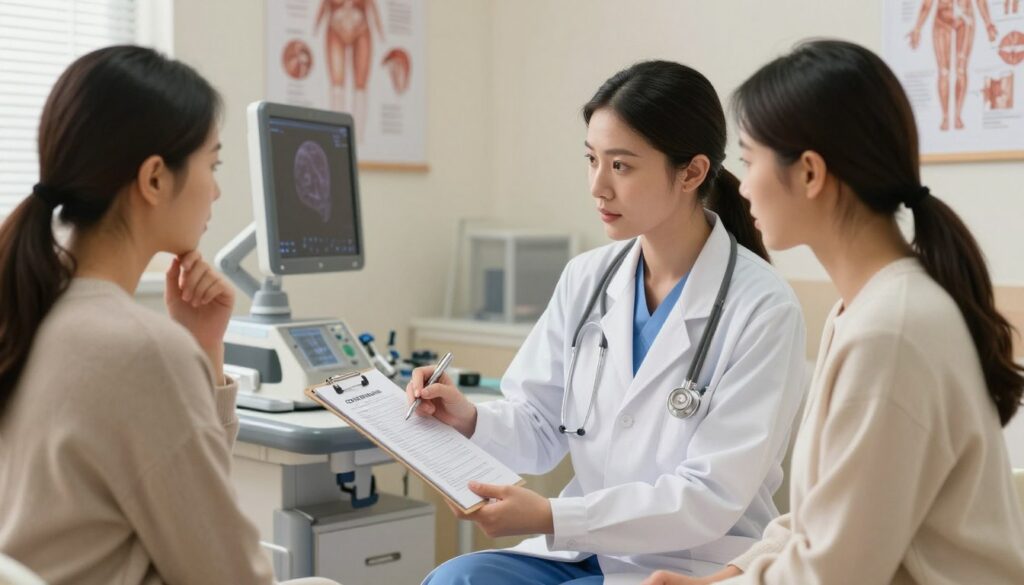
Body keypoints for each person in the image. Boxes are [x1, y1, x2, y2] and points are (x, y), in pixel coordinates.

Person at [408, 61, 808, 583]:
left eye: (621, 166)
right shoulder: (587, 278)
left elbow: (710, 496)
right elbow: (539, 422)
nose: (598, 187)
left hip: (690, 561)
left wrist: (552, 515)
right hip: (584, 551)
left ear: (691, 172)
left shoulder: (763, 308)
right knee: (454, 580)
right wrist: (469, 418)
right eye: (592, 160)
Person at [641, 39, 1024, 585]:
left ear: (810, 174)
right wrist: (722, 578)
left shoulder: (892, 330)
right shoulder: (871, 308)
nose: (742, 186)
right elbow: (824, 521)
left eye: (750, 161)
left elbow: (835, 571)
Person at [0, 45, 337, 585]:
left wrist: (202, 349)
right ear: (155, 178)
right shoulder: (139, 349)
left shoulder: (34, 308)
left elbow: (184, 499)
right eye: (213, 163)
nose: (217, 189)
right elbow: (229, 574)